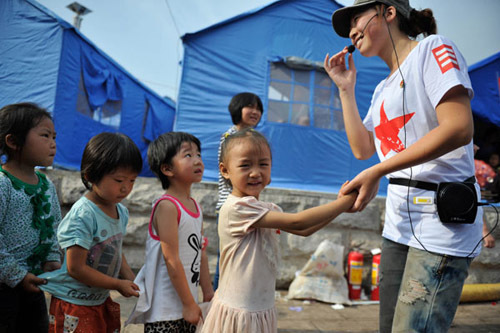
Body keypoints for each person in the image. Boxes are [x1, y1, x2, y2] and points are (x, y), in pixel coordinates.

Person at [324, 0, 482, 331]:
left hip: (441, 223)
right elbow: (363, 148)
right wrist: (345, 90)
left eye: (357, 19)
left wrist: (380, 170)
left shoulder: (433, 49)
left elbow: (458, 127)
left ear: (389, 11)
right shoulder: (382, 89)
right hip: (397, 226)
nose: (352, 31)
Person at [200, 128, 357, 332]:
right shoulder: (236, 208)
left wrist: (340, 207)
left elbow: (305, 230)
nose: (256, 172)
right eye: (245, 165)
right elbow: (298, 223)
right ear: (225, 170)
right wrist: (346, 202)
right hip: (240, 312)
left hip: (259, 307)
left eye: (263, 164)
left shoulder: (265, 209)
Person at [39, 132, 142, 332]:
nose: (126, 188)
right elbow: (75, 268)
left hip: (98, 300)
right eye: (119, 180)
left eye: (132, 181)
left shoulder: (120, 210)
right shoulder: (83, 215)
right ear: (90, 176)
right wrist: (117, 284)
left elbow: (113, 248)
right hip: (74, 304)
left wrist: (131, 279)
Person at [126, 132, 214, 332]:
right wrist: (189, 303)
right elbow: (171, 258)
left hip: (188, 307)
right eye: (188, 155)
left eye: (198, 154)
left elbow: (200, 253)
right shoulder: (167, 206)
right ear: (167, 169)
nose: (198, 160)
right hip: (165, 311)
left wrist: (208, 293)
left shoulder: (195, 206)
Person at [0, 103, 62, 332]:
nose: (53, 143)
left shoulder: (46, 185)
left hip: (33, 285)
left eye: (54, 136)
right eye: (45, 135)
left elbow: (55, 225)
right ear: (13, 142)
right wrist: (16, 275)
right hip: (4, 287)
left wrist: (53, 257)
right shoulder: (3, 183)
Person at [213, 92, 263, 290]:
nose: (255, 111)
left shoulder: (255, 138)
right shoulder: (230, 137)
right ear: (237, 109)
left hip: (250, 206)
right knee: (225, 259)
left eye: (258, 108)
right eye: (250, 107)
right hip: (232, 205)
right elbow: (232, 176)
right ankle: (218, 299)